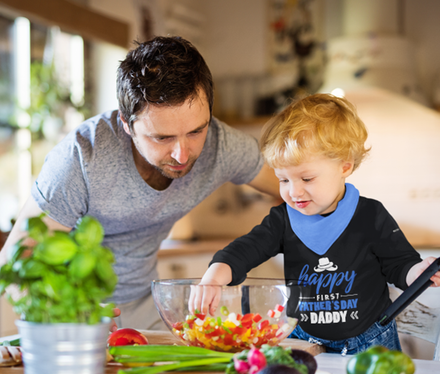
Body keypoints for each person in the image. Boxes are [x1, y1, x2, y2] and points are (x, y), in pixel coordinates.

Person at [0, 36, 280, 331]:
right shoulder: (82, 158)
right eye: (162, 137)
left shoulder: (221, 145)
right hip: (74, 313)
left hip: (149, 310)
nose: (182, 154)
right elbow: (18, 261)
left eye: (196, 131)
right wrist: (61, 322)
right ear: (126, 123)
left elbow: (298, 189)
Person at [190, 93, 440, 355]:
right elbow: (247, 249)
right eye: (283, 180)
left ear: (344, 166)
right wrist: (214, 276)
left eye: (306, 179)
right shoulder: (283, 220)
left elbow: (399, 264)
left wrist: (418, 273)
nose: (294, 192)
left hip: (369, 340)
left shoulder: (370, 215)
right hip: (305, 340)